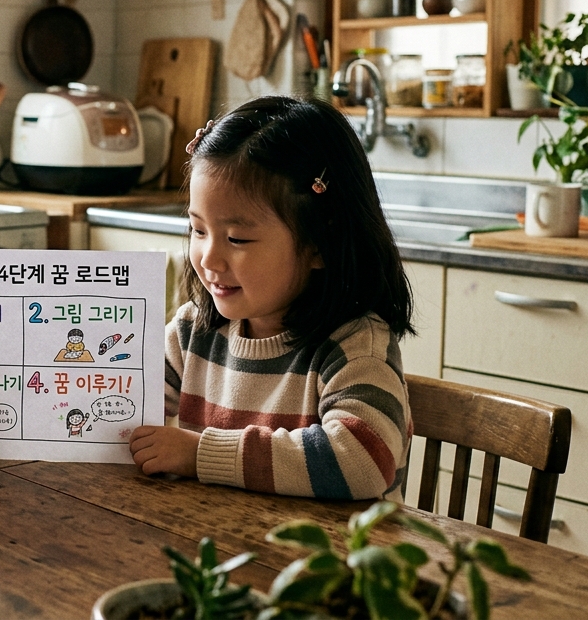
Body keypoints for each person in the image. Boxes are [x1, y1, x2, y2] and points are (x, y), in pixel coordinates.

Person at [127, 96, 413, 500]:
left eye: (237, 238)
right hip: (224, 550)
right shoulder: (195, 330)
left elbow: (364, 461)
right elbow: (119, 397)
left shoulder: (354, 348)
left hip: (329, 560)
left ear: (318, 244)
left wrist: (199, 455)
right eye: (198, 230)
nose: (209, 258)